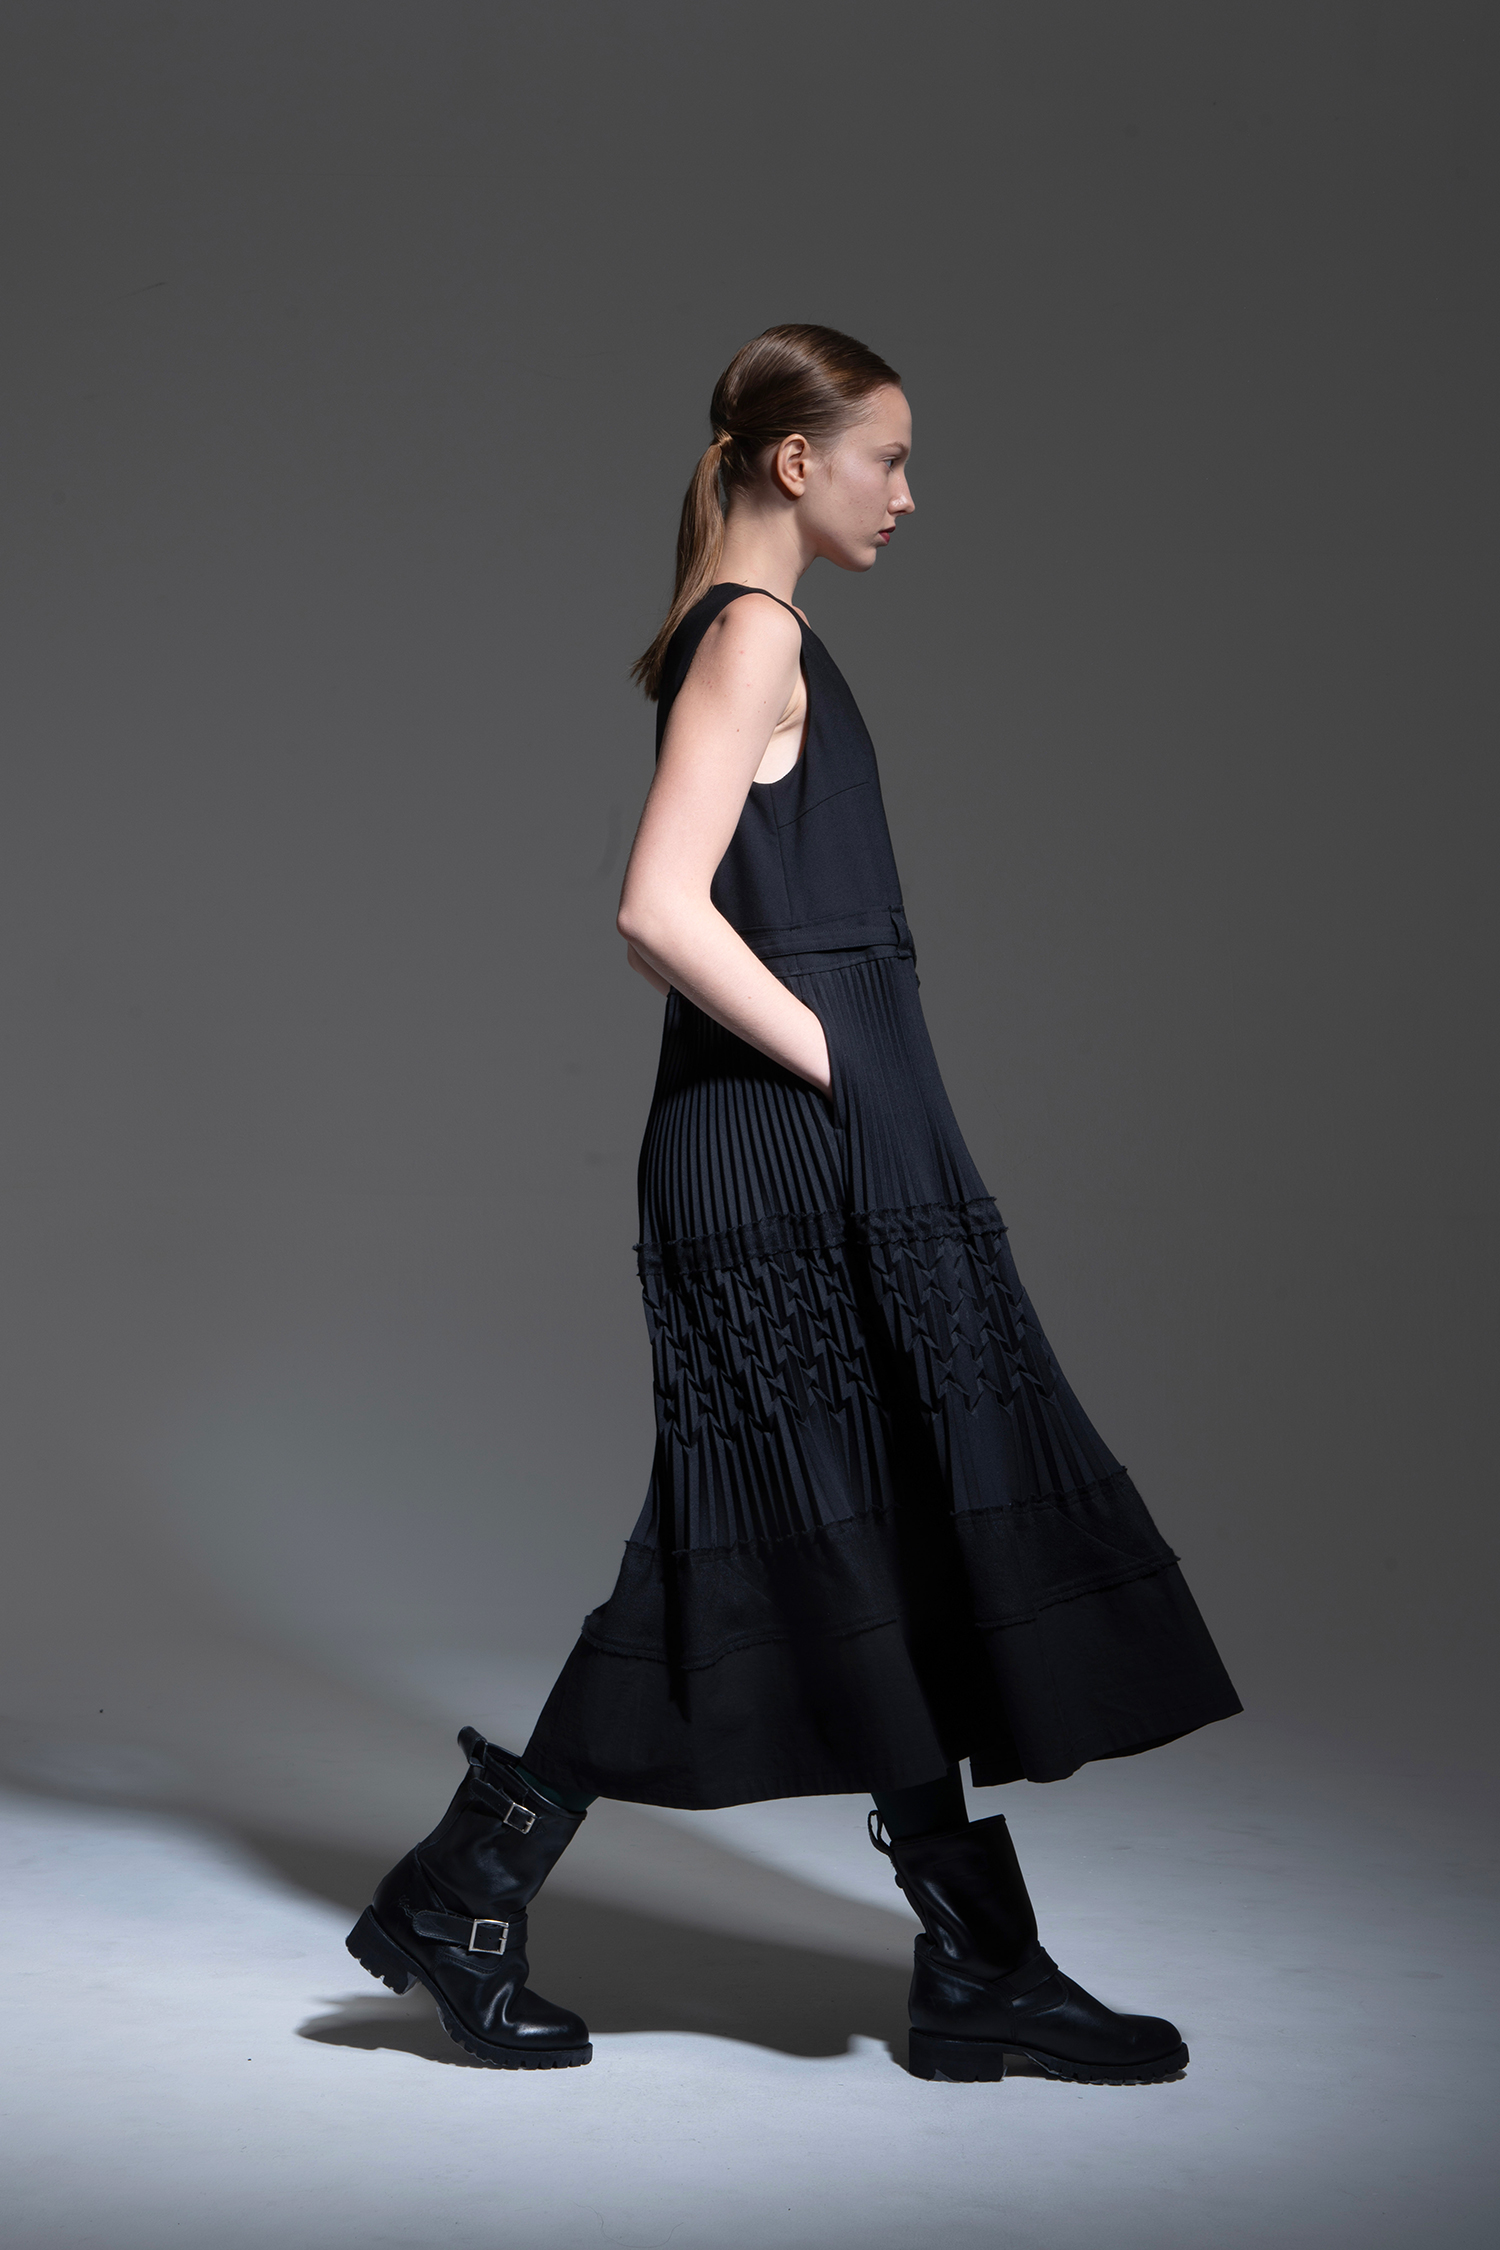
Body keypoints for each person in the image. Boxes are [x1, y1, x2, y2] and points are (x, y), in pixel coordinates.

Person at [347, 324, 1241, 2083]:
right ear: (793, 459)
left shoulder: (742, 631)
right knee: (782, 1528)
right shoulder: (754, 632)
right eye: (886, 458)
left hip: (798, 1135)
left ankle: (975, 1963)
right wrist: (849, 1064)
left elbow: (687, 920)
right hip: (784, 1144)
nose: (907, 493)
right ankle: (468, 1889)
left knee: (860, 1527)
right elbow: (657, 910)